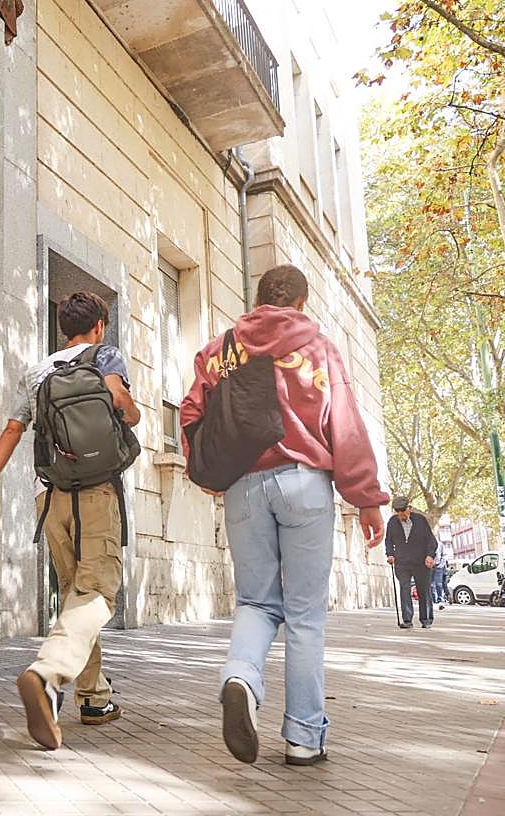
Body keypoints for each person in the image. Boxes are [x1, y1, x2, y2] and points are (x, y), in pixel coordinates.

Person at [180, 264, 387, 767]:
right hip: (304, 484)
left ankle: (241, 680)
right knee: (304, 617)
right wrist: (366, 499)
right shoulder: (317, 347)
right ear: (300, 302)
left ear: (256, 301)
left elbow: (190, 415)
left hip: (244, 489)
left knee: (256, 602)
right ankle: (303, 738)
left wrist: (212, 472)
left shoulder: (219, 350)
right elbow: (346, 426)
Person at [0, 291, 140, 750]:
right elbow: (121, 400)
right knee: (98, 591)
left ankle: (94, 697)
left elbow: (13, 430)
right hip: (97, 494)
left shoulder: (39, 371)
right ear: (99, 326)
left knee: (74, 596)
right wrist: (132, 411)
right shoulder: (104, 355)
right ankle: (47, 674)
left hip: (51, 498)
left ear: (63, 327)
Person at [385, 497, 437, 628]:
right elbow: (388, 541)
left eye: (403, 511)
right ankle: (407, 620)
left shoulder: (420, 520)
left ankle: (426, 620)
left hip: (421, 562)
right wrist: (390, 554)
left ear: (410, 508)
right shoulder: (392, 522)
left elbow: (431, 541)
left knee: (423, 590)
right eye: (398, 512)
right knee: (404, 588)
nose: (401, 515)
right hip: (402, 562)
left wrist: (430, 556)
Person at [431, 538, 450, 611]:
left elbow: (444, 555)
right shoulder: (426, 543)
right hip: (429, 567)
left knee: (438, 584)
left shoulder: (440, 544)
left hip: (438, 566)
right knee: (431, 585)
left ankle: (440, 601)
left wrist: (441, 564)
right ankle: (434, 601)